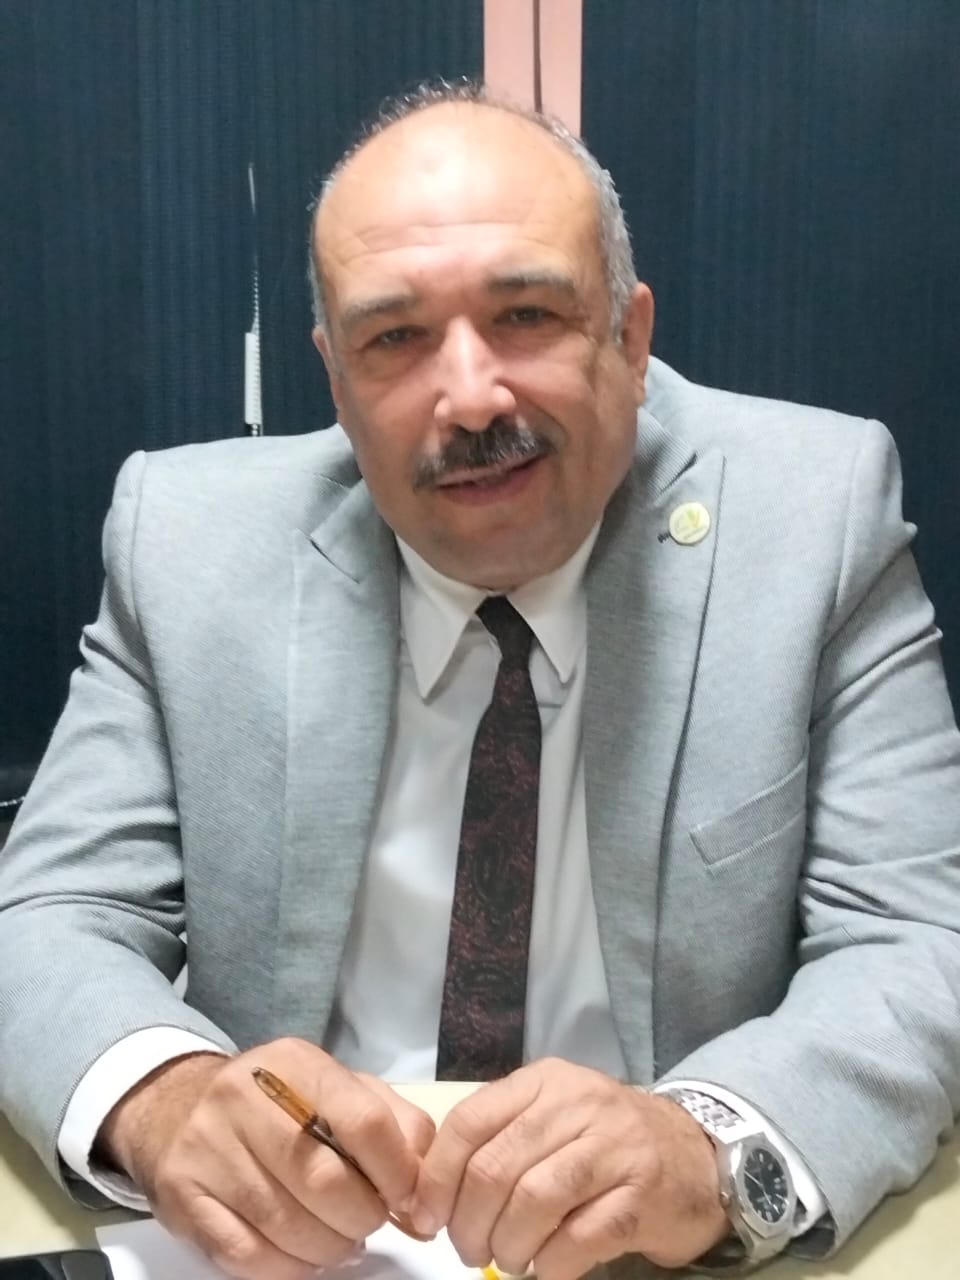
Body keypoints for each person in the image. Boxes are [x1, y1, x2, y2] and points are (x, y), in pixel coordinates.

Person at [1, 80, 959, 1280]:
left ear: (630, 336)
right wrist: (169, 1097)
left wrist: (708, 1145)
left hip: (649, 1250)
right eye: (395, 338)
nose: (467, 397)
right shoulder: (186, 538)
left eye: (526, 314)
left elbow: (917, 936)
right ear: (335, 377)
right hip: (300, 1248)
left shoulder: (817, 515)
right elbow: (49, 916)